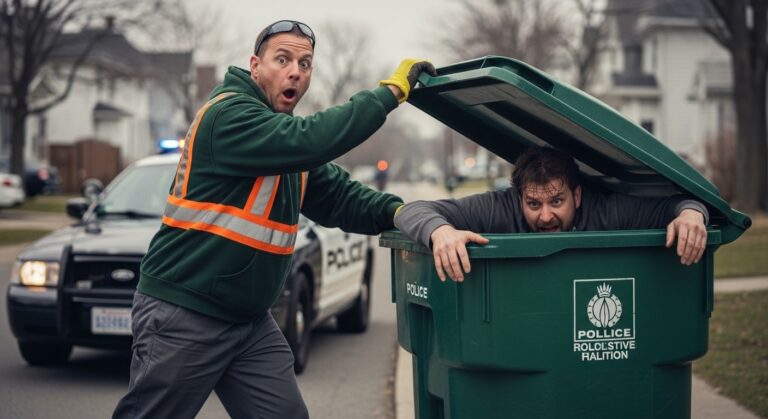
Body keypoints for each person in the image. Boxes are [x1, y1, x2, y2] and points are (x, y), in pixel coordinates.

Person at [112, 20, 435, 419]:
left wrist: (402, 213)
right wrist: (390, 93)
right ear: (255, 66)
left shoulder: (285, 143)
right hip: (186, 312)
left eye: (305, 63)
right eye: (282, 59)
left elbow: (341, 196)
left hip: (248, 323)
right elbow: (313, 138)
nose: (295, 71)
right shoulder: (228, 116)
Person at [394, 146, 709, 282]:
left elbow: (675, 204)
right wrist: (441, 232)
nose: (545, 217)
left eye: (556, 202)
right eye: (533, 204)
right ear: (520, 199)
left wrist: (691, 216)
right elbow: (411, 210)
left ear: (577, 195)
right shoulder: (497, 208)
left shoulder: (606, 209)